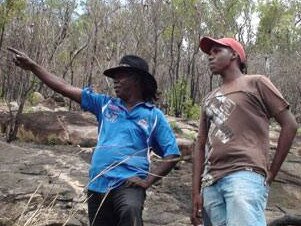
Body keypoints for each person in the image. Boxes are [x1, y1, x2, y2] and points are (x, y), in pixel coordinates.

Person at [8, 47, 181, 226]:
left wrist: (148, 181)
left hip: (129, 185)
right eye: (114, 77)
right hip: (98, 184)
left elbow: (173, 154)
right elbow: (63, 87)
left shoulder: (153, 116)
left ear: (137, 80)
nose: (115, 81)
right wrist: (33, 67)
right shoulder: (104, 105)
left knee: (130, 211)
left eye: (121, 76)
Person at [191, 37, 298, 226]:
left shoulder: (256, 83)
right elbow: (200, 144)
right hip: (211, 182)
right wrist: (196, 193)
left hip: (244, 174)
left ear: (234, 54)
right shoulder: (209, 98)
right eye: (209, 53)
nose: (210, 57)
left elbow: (289, 124)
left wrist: (272, 172)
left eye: (217, 51)